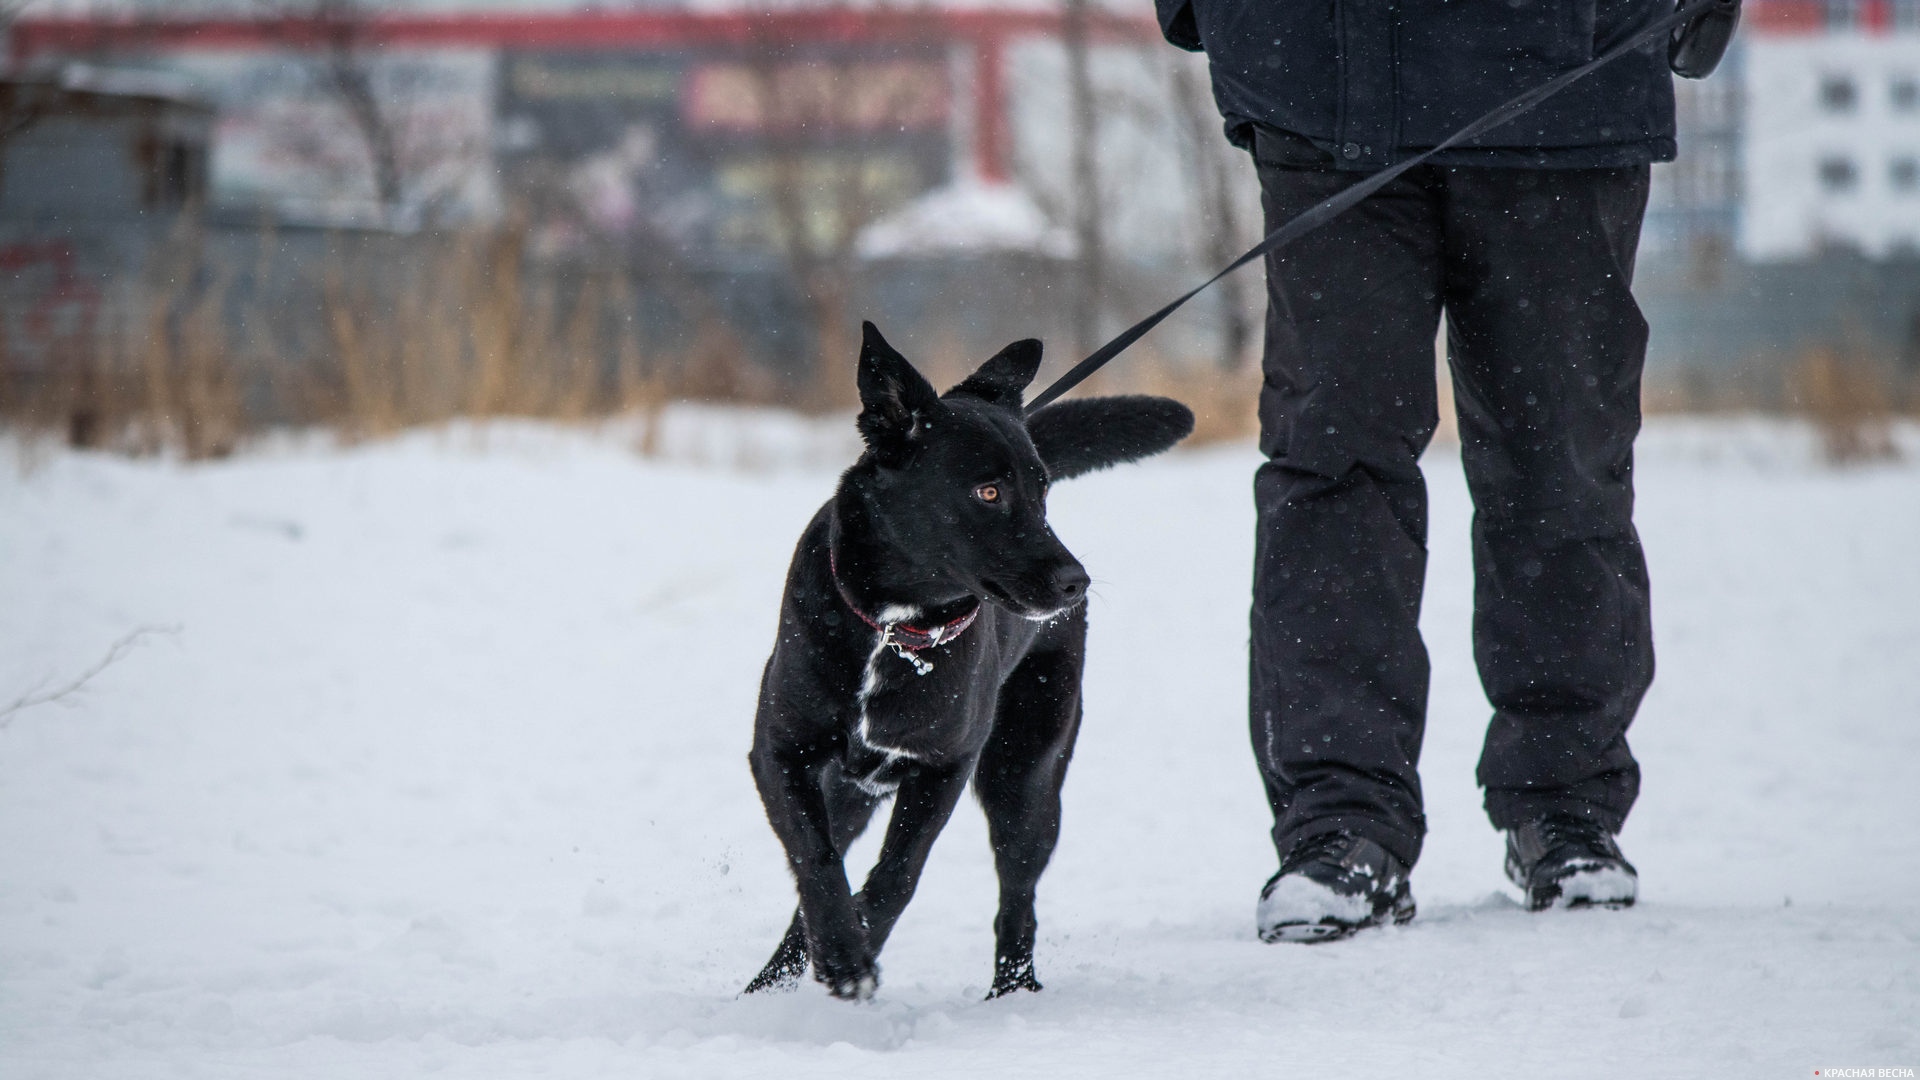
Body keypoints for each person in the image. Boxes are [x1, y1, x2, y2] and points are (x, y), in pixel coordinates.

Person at [1156, 0, 1676, 941]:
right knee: (1331, 467)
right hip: (1320, 76)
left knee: (1560, 468)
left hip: (1573, 76)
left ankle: (1567, 809)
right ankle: (1339, 827)